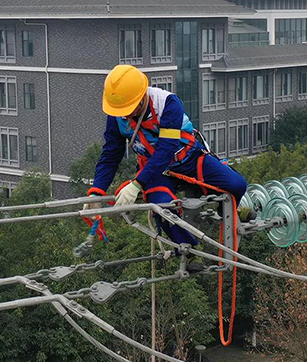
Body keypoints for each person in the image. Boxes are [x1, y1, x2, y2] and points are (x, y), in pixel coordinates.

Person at [84, 65, 251, 270]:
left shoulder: (167, 103)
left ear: (141, 97)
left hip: (188, 159)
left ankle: (229, 207)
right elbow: (110, 155)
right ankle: (189, 250)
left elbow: (166, 148)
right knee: (162, 208)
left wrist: (137, 184)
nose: (126, 115)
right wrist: (96, 191)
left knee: (237, 184)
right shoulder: (117, 115)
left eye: (129, 109)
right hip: (155, 171)